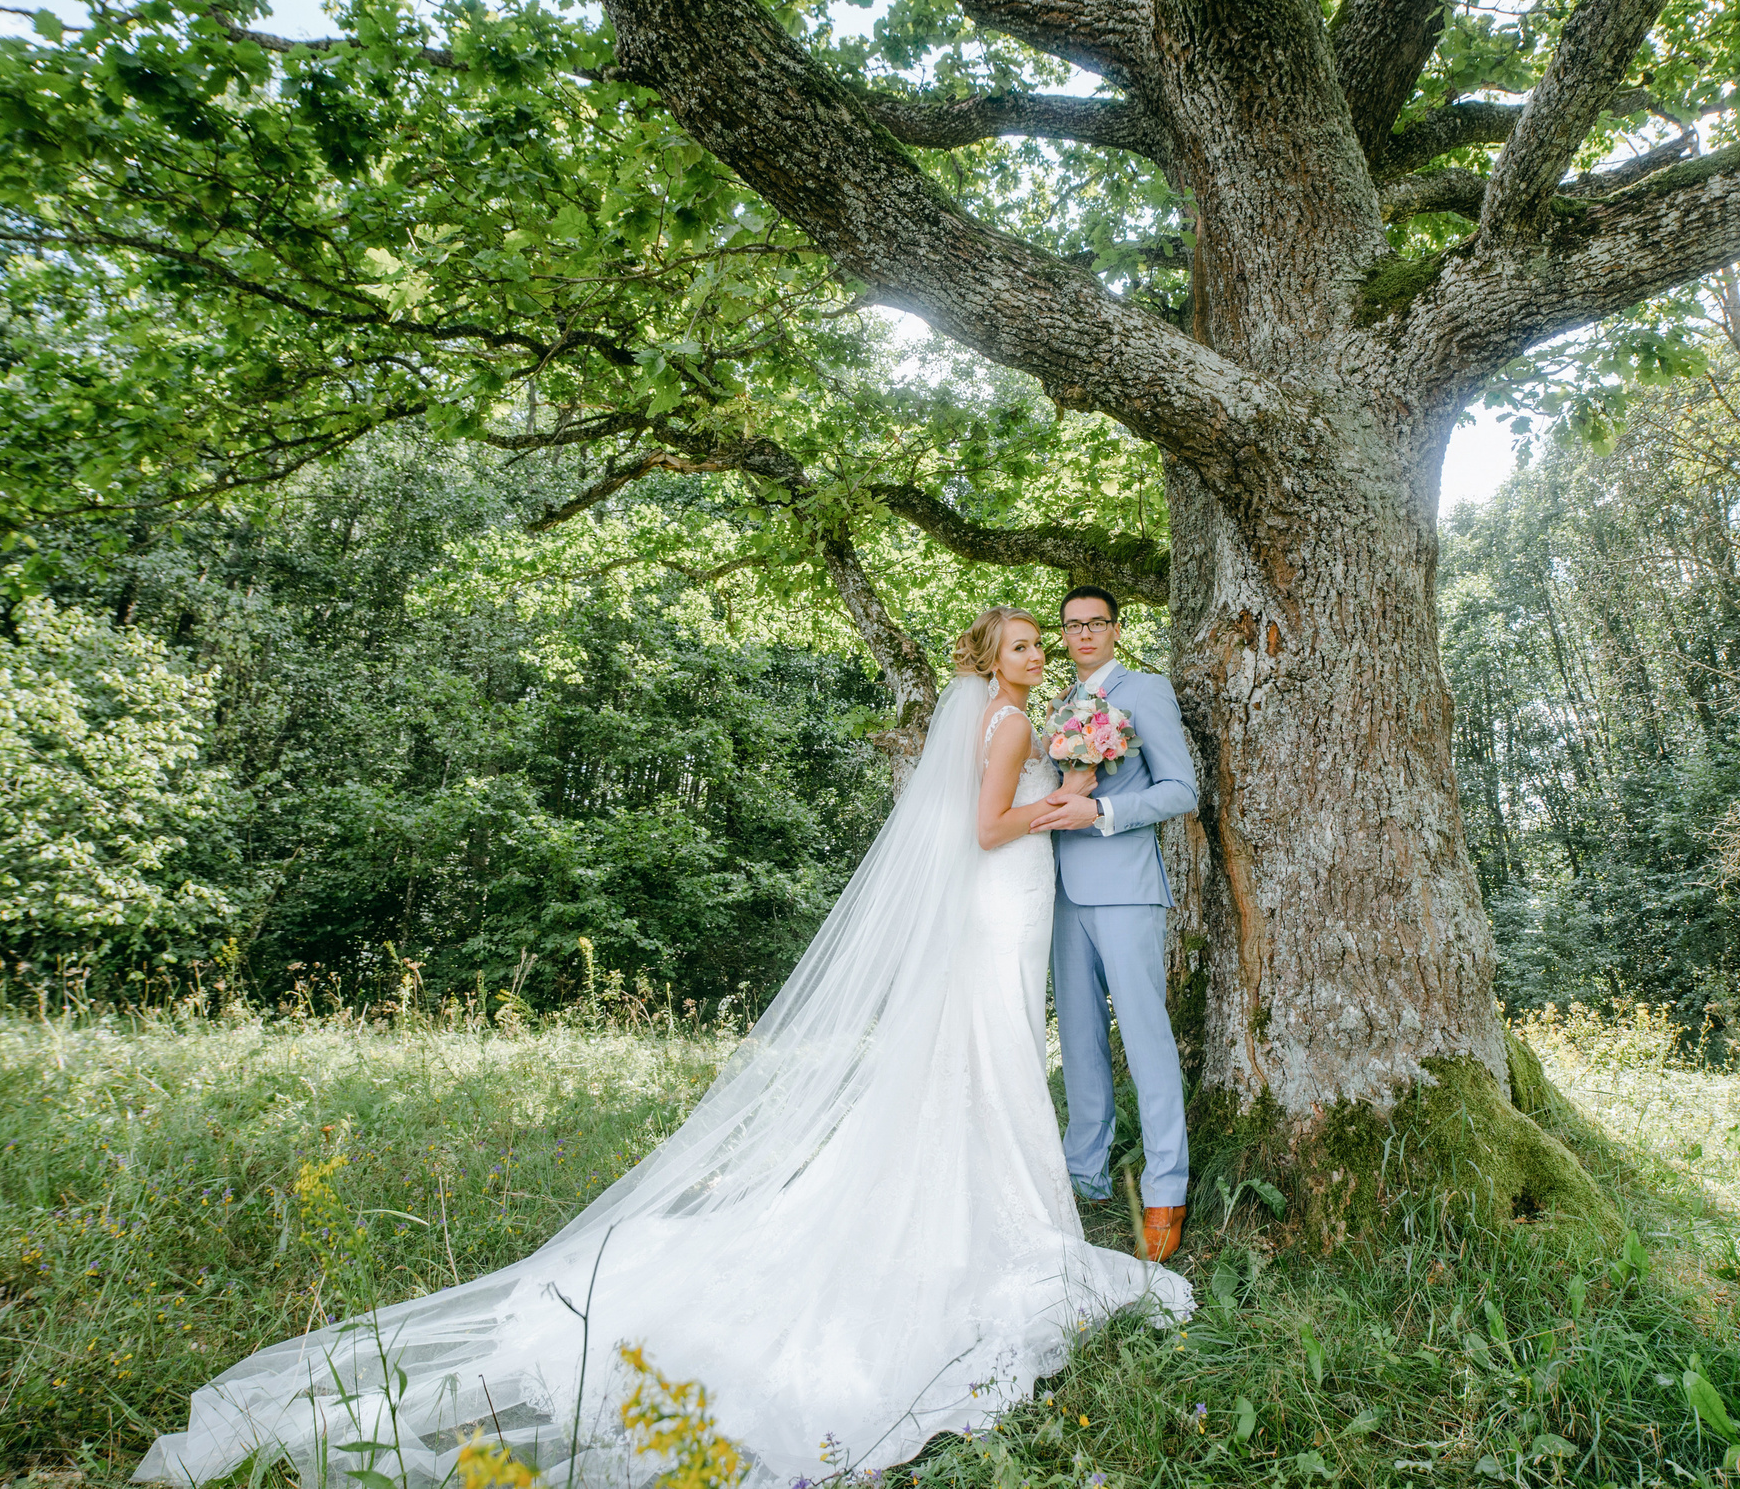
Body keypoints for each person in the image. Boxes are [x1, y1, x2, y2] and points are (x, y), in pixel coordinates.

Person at [133, 607, 1188, 1489]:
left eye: (1038, 646)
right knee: (992, 1050)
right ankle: (990, 1212)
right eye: (1018, 647)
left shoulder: (1012, 716)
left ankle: (986, 1196)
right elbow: (986, 831)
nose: (1035, 658)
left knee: (987, 1051)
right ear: (985, 661)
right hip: (1007, 895)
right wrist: (1067, 802)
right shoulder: (1006, 725)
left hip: (1008, 905)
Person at [1030, 586, 1200, 1260]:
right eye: (1073, 626)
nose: (1085, 634)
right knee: (1077, 1041)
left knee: (1147, 1038)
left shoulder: (1145, 690)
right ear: (1063, 635)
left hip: (1127, 886)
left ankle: (1166, 1186)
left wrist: (1100, 815)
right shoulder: (1056, 706)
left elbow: (1182, 789)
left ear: (1116, 629)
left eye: (1097, 623)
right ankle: (1085, 1173)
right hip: (1061, 892)